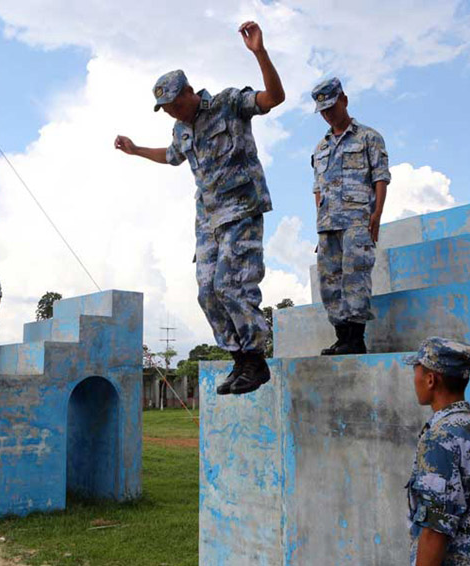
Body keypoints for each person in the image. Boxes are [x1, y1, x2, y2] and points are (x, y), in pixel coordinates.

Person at [114, 21, 284, 395]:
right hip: (207, 221)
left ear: (190, 91)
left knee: (231, 284)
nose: (173, 112)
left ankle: (256, 359)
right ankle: (239, 360)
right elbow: (172, 156)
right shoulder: (180, 131)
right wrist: (136, 149)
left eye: (176, 103)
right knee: (207, 291)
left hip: (241, 208)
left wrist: (259, 53)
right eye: (166, 108)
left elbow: (274, 98)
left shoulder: (227, 103)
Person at [404, 337, 470, 566]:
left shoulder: (439, 438)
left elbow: (435, 530)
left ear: (431, 379)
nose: (414, 380)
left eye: (417, 372)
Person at [310, 77, 390, 355]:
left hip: (357, 220)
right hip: (327, 225)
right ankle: (342, 337)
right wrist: (319, 221)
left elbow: (380, 177)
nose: (328, 114)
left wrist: (376, 214)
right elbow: (318, 188)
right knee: (329, 282)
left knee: (355, 278)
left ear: (344, 99)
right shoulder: (320, 148)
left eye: (332, 106)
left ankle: (356, 339)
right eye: (323, 110)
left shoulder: (369, 137)